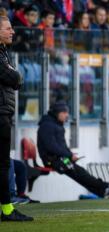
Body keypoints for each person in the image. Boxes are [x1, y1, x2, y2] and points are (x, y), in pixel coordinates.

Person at [37, 101, 109, 199]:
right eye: (64, 112)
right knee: (79, 173)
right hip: (52, 161)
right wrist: (69, 155)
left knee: (80, 172)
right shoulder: (47, 126)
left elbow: (60, 146)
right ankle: (106, 188)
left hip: (59, 159)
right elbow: (51, 147)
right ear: (57, 113)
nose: (67, 115)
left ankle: (103, 191)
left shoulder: (55, 124)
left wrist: (69, 155)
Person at [0, 15, 33, 221]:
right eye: (8, 28)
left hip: (4, 112)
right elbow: (14, 77)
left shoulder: (4, 52)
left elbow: (16, 79)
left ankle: (7, 209)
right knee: (3, 165)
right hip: (1, 113)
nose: (13, 31)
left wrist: (15, 76)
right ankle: (7, 211)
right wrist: (15, 75)